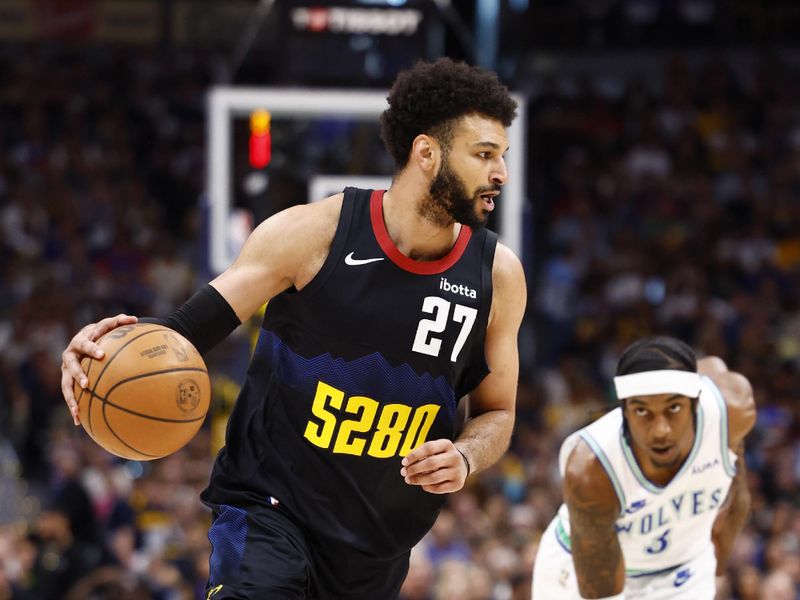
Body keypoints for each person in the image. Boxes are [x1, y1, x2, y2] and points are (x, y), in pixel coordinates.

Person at [60, 57, 526, 599]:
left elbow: (498, 412)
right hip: (270, 507)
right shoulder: (313, 234)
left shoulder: (498, 276)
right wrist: (104, 349)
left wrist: (466, 455)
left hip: (378, 544)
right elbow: (186, 330)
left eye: (503, 156)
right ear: (427, 153)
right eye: (485, 154)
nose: (501, 174)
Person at [532, 336, 756, 600]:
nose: (660, 430)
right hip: (582, 576)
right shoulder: (590, 468)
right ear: (624, 411)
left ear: (695, 404)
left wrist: (714, 567)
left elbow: (737, 497)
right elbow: (601, 591)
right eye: (642, 412)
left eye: (673, 408)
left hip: (684, 569)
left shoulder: (731, 410)